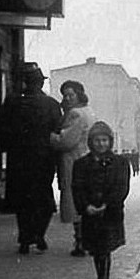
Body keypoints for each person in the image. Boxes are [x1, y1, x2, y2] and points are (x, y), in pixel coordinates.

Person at [0, 62, 62, 254]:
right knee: (43, 200)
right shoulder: (51, 104)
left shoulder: (12, 102)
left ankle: (25, 239)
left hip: (19, 160)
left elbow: (0, 129)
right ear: (41, 83)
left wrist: (11, 149)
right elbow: (57, 132)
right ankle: (39, 234)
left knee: (22, 201)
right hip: (43, 160)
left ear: (24, 82)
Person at [72, 121, 130, 279]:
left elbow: (122, 187)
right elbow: (77, 188)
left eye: (105, 140)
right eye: (97, 140)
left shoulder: (120, 163)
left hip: (110, 214)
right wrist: (85, 206)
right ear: (91, 142)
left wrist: (108, 204)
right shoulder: (81, 164)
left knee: (105, 248)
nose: (101, 144)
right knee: (97, 250)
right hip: (90, 214)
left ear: (110, 141)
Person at [50, 80, 96, 257]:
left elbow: (66, 140)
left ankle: (80, 242)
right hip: (86, 159)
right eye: (65, 95)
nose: (67, 98)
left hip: (74, 161)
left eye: (71, 94)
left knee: (76, 202)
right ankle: (84, 240)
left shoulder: (75, 114)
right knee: (84, 201)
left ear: (79, 94)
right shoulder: (89, 111)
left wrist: (50, 137)